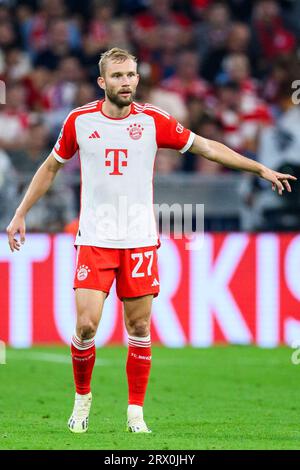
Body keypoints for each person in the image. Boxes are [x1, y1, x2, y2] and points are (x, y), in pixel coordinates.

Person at [6, 47, 296, 434]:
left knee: (139, 328)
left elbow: (208, 147)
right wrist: (20, 212)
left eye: (131, 75)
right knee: (87, 325)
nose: (126, 82)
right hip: (95, 237)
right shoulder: (79, 121)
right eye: (118, 76)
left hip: (140, 239)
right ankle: (81, 400)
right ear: (102, 82)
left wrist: (259, 167)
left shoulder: (155, 121)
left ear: (137, 79)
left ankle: (135, 414)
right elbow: (51, 167)